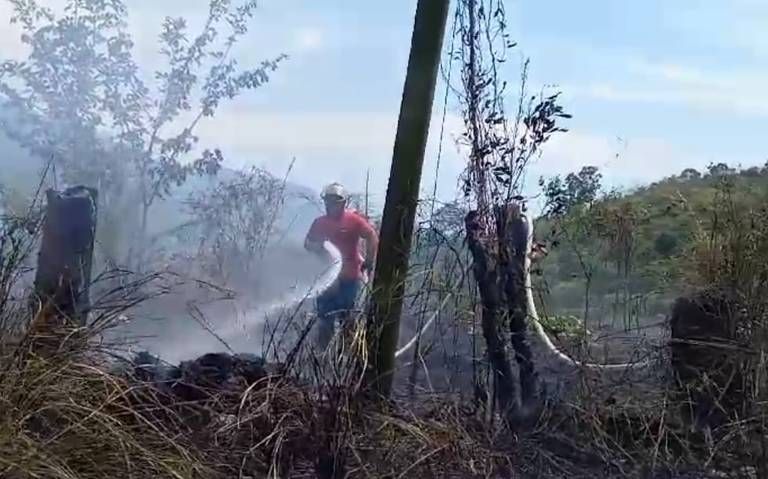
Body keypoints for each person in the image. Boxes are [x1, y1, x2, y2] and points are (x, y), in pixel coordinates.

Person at [304, 182, 379, 349]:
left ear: (343, 203)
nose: (330, 205)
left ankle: (345, 357)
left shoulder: (353, 221)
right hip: (325, 281)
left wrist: (369, 261)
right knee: (324, 320)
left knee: (347, 318)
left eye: (335, 202)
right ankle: (321, 358)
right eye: (328, 201)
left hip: (349, 278)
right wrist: (318, 247)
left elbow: (372, 236)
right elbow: (308, 244)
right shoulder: (319, 223)